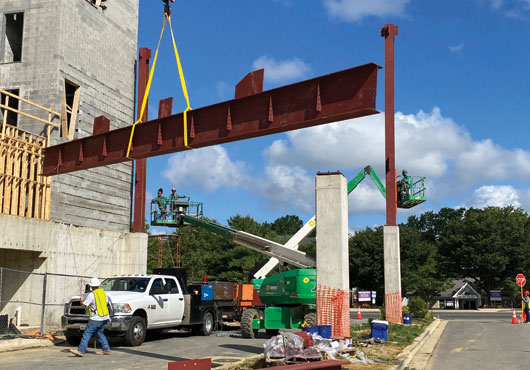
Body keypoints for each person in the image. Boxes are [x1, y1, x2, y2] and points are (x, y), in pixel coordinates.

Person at [69, 277, 112, 357]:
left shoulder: (91, 295)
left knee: (87, 334)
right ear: (98, 285)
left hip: (96, 318)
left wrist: (81, 301)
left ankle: (81, 351)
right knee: (99, 333)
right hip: (105, 317)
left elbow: (84, 305)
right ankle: (106, 349)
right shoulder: (103, 293)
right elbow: (105, 303)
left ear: (91, 286)